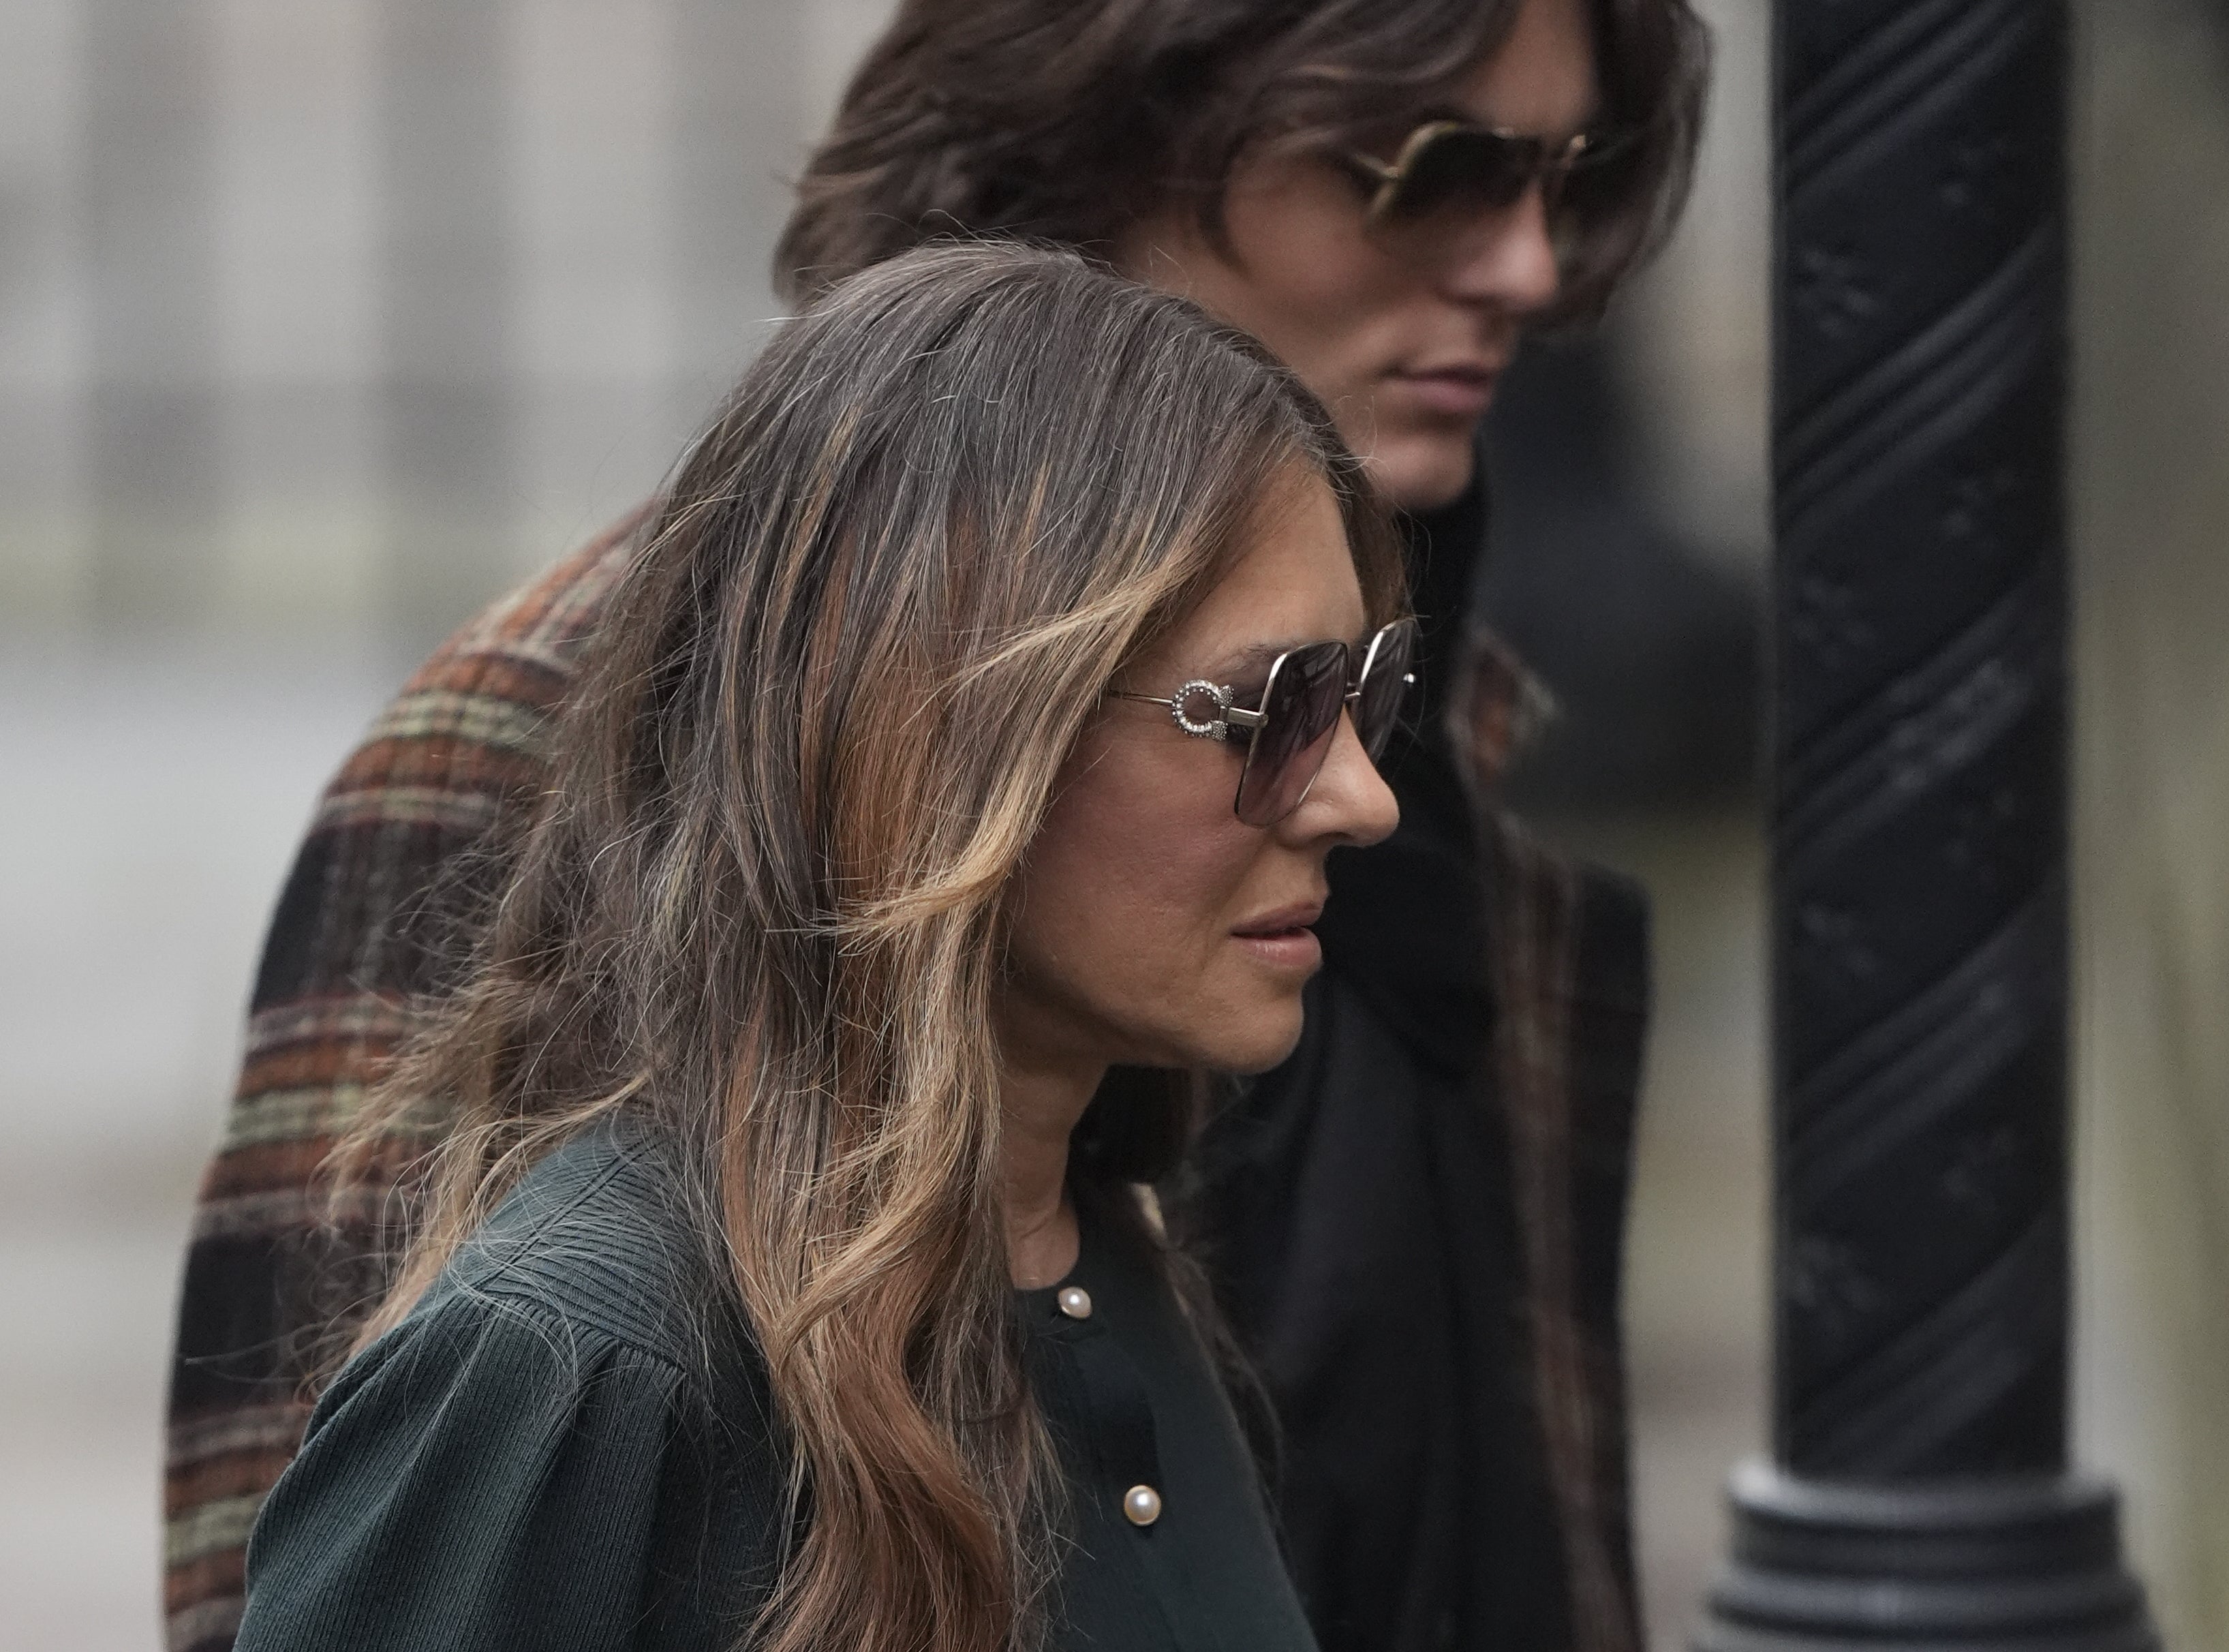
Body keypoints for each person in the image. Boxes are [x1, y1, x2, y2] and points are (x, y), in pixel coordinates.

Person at [166, 2, 1710, 1649]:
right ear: (1110, 132)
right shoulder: (598, 735)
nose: (1527, 269)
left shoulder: (1425, 805)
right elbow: (343, 1509)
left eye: (1568, 177)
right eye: (1429, 170)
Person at [231, 241, 1409, 1652]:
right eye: (1271, 704)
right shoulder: (583, 1368)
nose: (1360, 795)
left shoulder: (1090, 1241)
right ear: (938, 733)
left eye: (1363, 691)